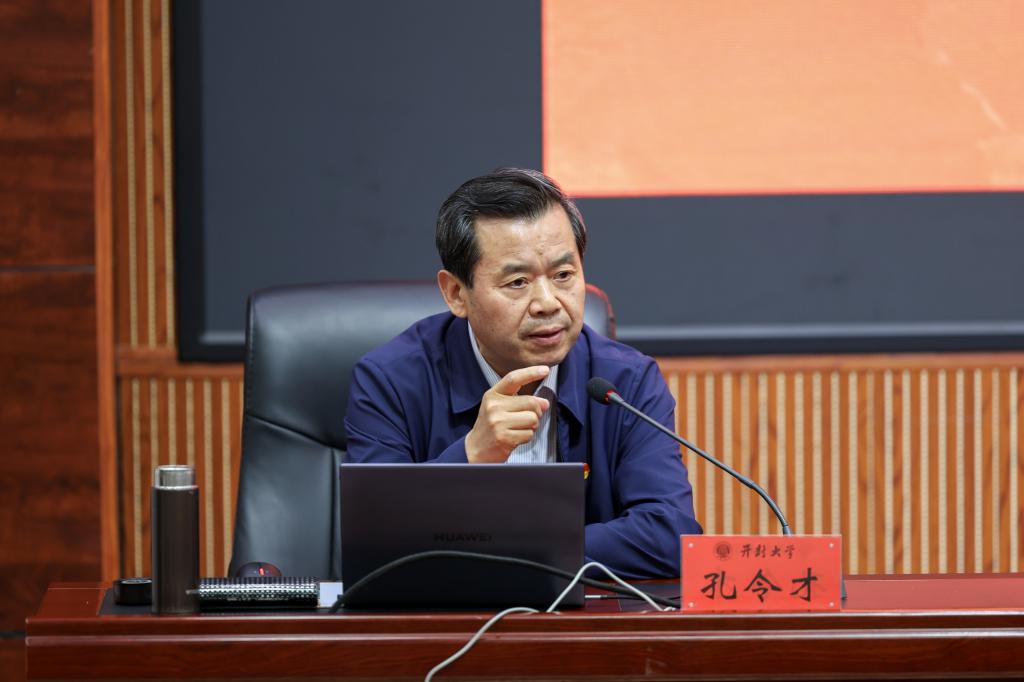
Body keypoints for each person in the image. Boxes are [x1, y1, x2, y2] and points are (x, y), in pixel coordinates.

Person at [344, 168, 701, 578]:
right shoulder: (389, 382)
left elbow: (671, 536)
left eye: (563, 275)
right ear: (456, 293)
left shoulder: (626, 383)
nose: (547, 303)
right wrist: (470, 456)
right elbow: (372, 546)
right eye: (517, 282)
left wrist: (514, 551)